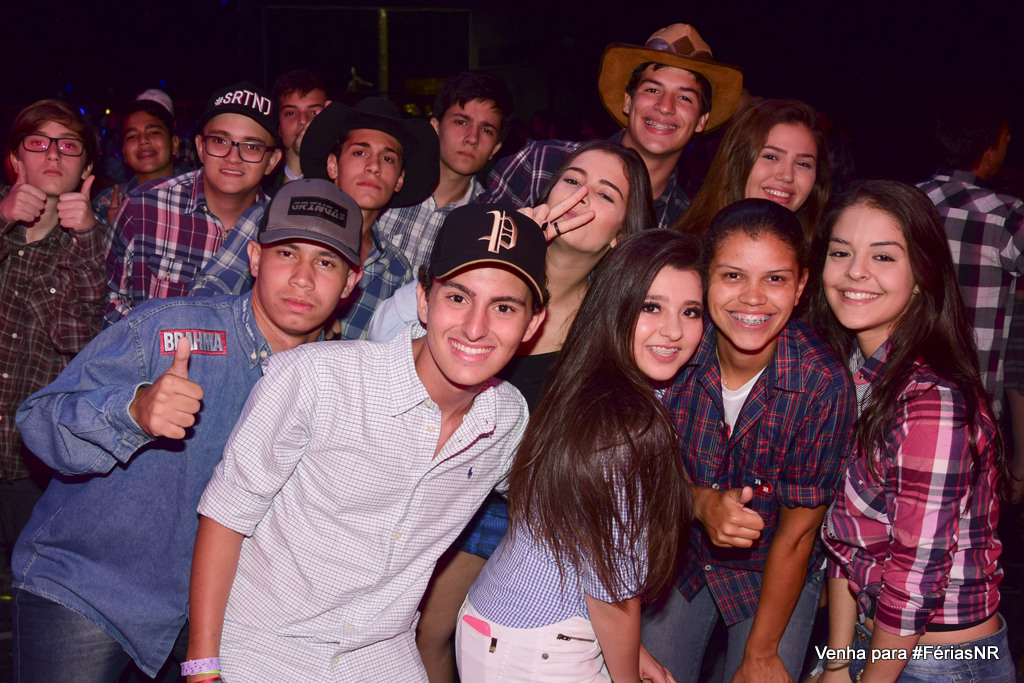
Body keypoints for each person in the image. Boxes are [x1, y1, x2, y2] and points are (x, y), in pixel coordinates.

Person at [11, 178, 363, 683]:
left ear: (350, 283)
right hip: (89, 588)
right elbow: (38, 422)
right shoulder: (172, 330)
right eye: (287, 253)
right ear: (256, 259)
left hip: (214, 618)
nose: (303, 279)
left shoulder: (339, 383)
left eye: (326, 263)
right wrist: (132, 411)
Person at [183, 202, 548, 682]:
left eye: (503, 308)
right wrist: (202, 668)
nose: (475, 327)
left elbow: (562, 505)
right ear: (424, 300)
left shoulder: (506, 419)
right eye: (458, 297)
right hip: (263, 644)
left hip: (378, 654)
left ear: (532, 324)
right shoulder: (315, 378)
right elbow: (226, 516)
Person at [403, 139, 656, 681]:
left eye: (605, 194)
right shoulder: (484, 271)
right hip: (432, 472)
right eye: (572, 181)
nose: (580, 197)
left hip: (519, 506)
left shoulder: (608, 328)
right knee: (409, 630)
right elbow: (415, 334)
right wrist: (515, 243)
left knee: (434, 631)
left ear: (620, 235)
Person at [456, 229, 700, 682]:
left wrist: (634, 652)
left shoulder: (583, 380)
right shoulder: (630, 426)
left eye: (691, 311)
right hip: (539, 644)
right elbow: (610, 594)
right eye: (651, 307)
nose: (674, 330)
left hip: (498, 617)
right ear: (616, 306)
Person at [641, 199, 856, 683]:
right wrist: (698, 502)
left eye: (775, 279)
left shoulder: (822, 384)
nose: (753, 298)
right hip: (679, 554)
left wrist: (760, 652)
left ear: (800, 286)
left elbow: (797, 535)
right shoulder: (672, 348)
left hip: (774, 568)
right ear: (705, 278)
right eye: (733, 276)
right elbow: (635, 474)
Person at [808, 180, 1014, 682]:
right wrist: (837, 662)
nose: (855, 271)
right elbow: (848, 543)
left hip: (941, 663)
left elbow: (914, 581)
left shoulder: (931, 404)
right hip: (876, 641)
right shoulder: (857, 372)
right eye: (841, 252)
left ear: (922, 275)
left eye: (883, 256)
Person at [483, 23, 743, 230]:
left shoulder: (686, 225)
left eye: (684, 97)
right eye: (653, 89)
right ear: (628, 102)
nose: (665, 106)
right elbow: (468, 241)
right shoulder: (542, 164)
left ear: (701, 120)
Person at [0, 99, 105, 600]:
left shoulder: (92, 243)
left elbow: (78, 337)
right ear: (14, 159)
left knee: (32, 599)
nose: (53, 154)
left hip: (34, 464)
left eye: (68, 146)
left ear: (86, 169)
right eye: (38, 142)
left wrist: (85, 239)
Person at [105, 81, 283, 323]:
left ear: (272, 160)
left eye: (251, 146)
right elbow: (107, 300)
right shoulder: (144, 207)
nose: (233, 157)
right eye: (220, 141)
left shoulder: (280, 228)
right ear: (200, 147)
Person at [299, 96, 440, 338]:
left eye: (387, 158)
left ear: (399, 179)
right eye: (360, 152)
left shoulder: (397, 270)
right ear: (333, 165)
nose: (374, 166)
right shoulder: (278, 223)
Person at [378, 69, 514, 271]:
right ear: (435, 127)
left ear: (495, 148)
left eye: (486, 130)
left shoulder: (487, 223)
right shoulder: (386, 185)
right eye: (461, 122)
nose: (472, 138)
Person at [673, 98, 831, 238]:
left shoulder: (820, 257)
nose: (787, 176)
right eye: (771, 157)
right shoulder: (686, 255)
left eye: (803, 164)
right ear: (737, 162)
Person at [92, 95, 181, 229]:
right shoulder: (106, 204)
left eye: (154, 132)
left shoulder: (202, 198)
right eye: (132, 136)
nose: (143, 140)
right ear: (124, 153)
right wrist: (115, 233)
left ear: (174, 144)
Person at [266, 69, 330, 189]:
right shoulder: (264, 185)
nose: (303, 120)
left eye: (314, 112)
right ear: (279, 127)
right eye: (291, 113)